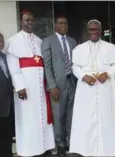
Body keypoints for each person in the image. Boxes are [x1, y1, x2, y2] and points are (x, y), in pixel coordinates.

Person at [5, 11, 55, 156]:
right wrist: (19, 87)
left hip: (40, 87)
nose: (30, 23)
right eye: (27, 20)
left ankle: (43, 147)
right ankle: (28, 150)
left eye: (32, 20)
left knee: (42, 117)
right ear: (21, 22)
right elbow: (13, 66)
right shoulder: (13, 41)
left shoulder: (40, 41)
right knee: (28, 119)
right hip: (26, 88)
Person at [70, 19, 115, 156]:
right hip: (86, 90)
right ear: (87, 32)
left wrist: (108, 74)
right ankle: (86, 150)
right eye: (91, 30)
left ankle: (105, 150)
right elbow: (75, 67)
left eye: (97, 29)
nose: (94, 32)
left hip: (104, 88)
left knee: (105, 119)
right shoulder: (79, 49)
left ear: (101, 30)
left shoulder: (110, 47)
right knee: (86, 120)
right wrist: (83, 76)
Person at [41, 15, 77, 156]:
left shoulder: (72, 41)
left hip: (72, 82)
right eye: (61, 23)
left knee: (70, 114)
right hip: (57, 85)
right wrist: (52, 85)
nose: (64, 26)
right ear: (55, 26)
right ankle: (60, 143)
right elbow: (47, 65)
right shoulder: (48, 41)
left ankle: (69, 141)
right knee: (58, 114)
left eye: (66, 23)